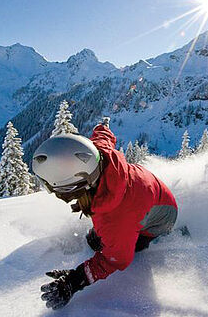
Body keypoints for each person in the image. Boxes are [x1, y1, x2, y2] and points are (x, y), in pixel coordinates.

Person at [32, 117, 178, 310]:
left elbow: (116, 259)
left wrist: (74, 281)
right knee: (98, 238)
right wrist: (103, 126)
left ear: (75, 189)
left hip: (159, 221)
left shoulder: (116, 218)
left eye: (54, 189)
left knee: (113, 245)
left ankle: (160, 237)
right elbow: (103, 137)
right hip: (152, 197)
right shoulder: (98, 155)